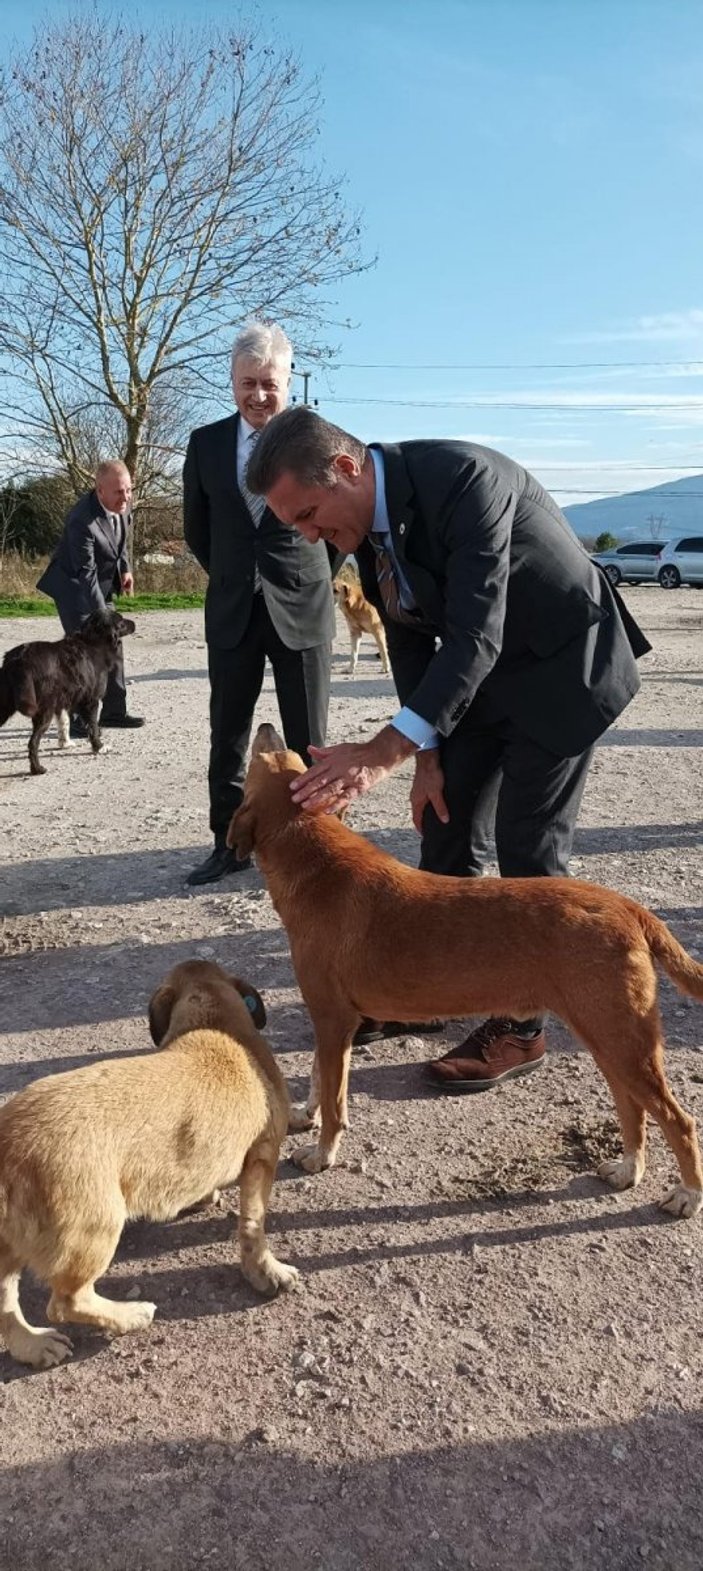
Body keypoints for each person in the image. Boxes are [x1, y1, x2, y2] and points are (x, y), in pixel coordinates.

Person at [246, 405, 652, 1087]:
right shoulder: (362, 522)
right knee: (444, 819)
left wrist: (382, 751)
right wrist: (425, 756)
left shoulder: (464, 480)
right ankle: (421, 992)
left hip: (559, 669)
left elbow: (471, 636)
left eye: (308, 514)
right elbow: (407, 636)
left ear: (346, 469)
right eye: (296, 526)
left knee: (528, 847)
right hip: (485, 680)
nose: (311, 535)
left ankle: (521, 1028)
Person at [183, 322, 336, 886]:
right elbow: (198, 531)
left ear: (288, 382)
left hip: (303, 607)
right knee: (227, 735)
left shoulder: (319, 438)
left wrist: (302, 579)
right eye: (248, 382)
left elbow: (340, 528)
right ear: (232, 380)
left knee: (310, 739)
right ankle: (229, 845)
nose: (258, 395)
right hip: (232, 611)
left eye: (269, 383)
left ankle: (317, 849)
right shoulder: (204, 445)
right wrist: (235, 578)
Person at [36, 461, 144, 731]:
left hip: (101, 585)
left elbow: (120, 543)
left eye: (129, 490)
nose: (126, 497)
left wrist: (125, 569)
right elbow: (87, 572)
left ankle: (114, 712)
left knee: (113, 642)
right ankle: (78, 719)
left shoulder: (122, 505)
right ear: (100, 490)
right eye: (119, 491)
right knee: (81, 654)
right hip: (74, 588)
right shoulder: (81, 520)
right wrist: (104, 615)